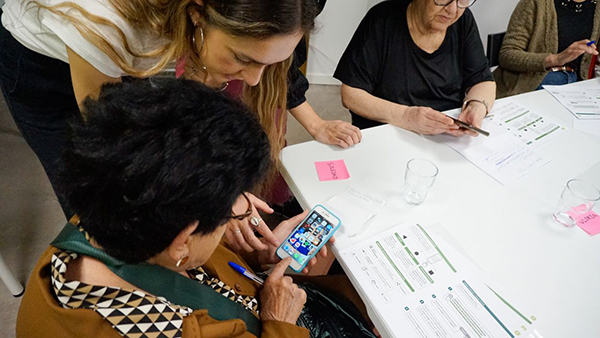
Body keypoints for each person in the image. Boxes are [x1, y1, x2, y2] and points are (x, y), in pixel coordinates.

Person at [16, 78, 376, 338]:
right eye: (228, 216)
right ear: (184, 238)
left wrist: (259, 257)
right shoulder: (171, 328)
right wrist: (278, 320)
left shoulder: (112, 212)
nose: (237, 219)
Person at [0, 0, 358, 253]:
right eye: (243, 59)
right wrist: (216, 198)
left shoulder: (198, 26)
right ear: (197, 13)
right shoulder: (108, 19)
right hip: (42, 73)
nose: (252, 80)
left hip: (133, 43)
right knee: (103, 204)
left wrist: (220, 186)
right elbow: (114, 143)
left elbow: (186, 120)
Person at [334, 0, 496, 136]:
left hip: (446, 138)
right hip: (389, 132)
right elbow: (351, 94)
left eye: (463, 0)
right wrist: (406, 116)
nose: (452, 9)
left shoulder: (463, 20)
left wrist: (476, 106)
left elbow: (483, 81)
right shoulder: (382, 19)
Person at [494, 0, 600, 98]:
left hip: (576, 87)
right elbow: (507, 55)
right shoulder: (535, 3)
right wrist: (555, 59)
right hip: (529, 85)